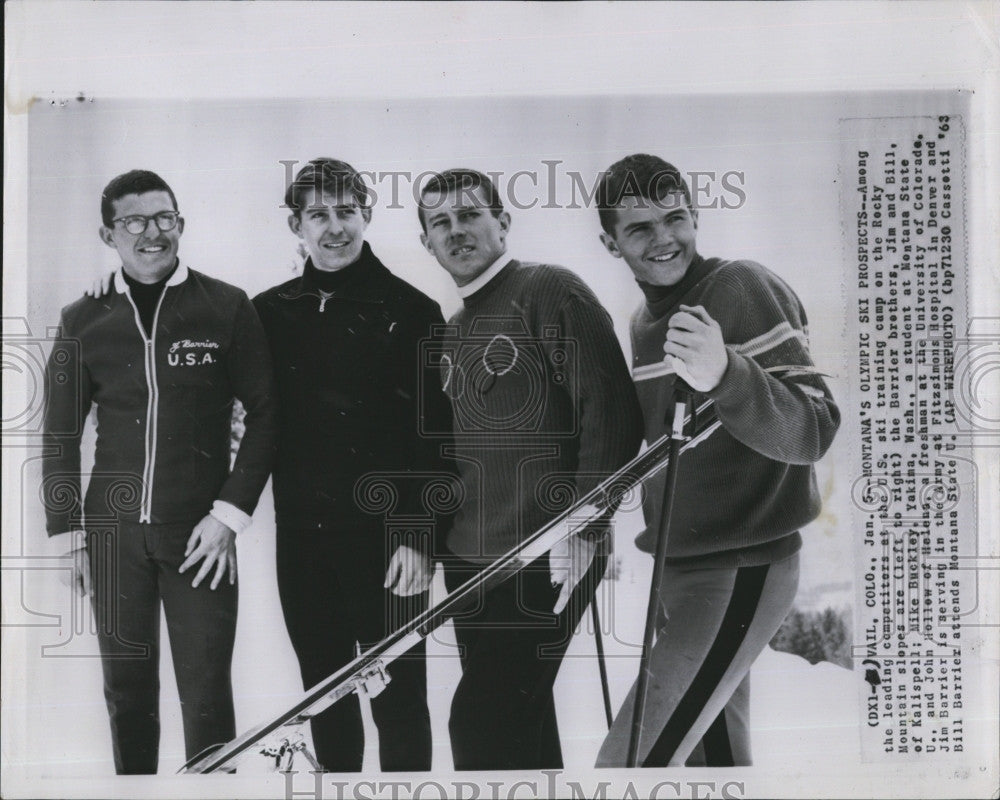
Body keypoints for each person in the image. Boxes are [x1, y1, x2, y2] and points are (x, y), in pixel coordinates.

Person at [593, 153, 841, 767]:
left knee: (627, 767)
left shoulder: (741, 287)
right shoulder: (642, 323)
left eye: (674, 217)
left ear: (696, 214)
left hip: (741, 567)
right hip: (677, 570)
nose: (664, 238)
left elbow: (813, 427)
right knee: (715, 766)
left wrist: (727, 373)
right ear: (609, 242)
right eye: (639, 228)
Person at [42, 169, 276, 774]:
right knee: (127, 696)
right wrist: (71, 536)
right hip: (112, 536)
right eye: (135, 222)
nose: (153, 233)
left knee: (206, 699)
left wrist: (228, 515)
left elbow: (270, 415)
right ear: (107, 233)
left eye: (164, 218)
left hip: (200, 537)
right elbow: (60, 434)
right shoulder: (82, 318)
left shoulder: (225, 306)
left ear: (181, 224)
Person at [417, 168, 644, 770]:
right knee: (523, 726)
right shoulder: (454, 330)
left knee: (481, 725)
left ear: (502, 222)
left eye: (470, 215)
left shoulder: (550, 290)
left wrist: (586, 528)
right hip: (470, 567)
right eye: (440, 222)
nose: (456, 231)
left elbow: (612, 414)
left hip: (543, 556)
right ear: (427, 243)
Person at [252, 158, 454, 772]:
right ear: (297, 224)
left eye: (346, 212)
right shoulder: (268, 312)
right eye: (319, 214)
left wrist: (420, 538)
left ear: (366, 215)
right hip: (304, 539)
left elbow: (434, 437)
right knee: (325, 695)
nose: (334, 227)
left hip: (388, 542)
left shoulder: (412, 309)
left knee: (399, 700)